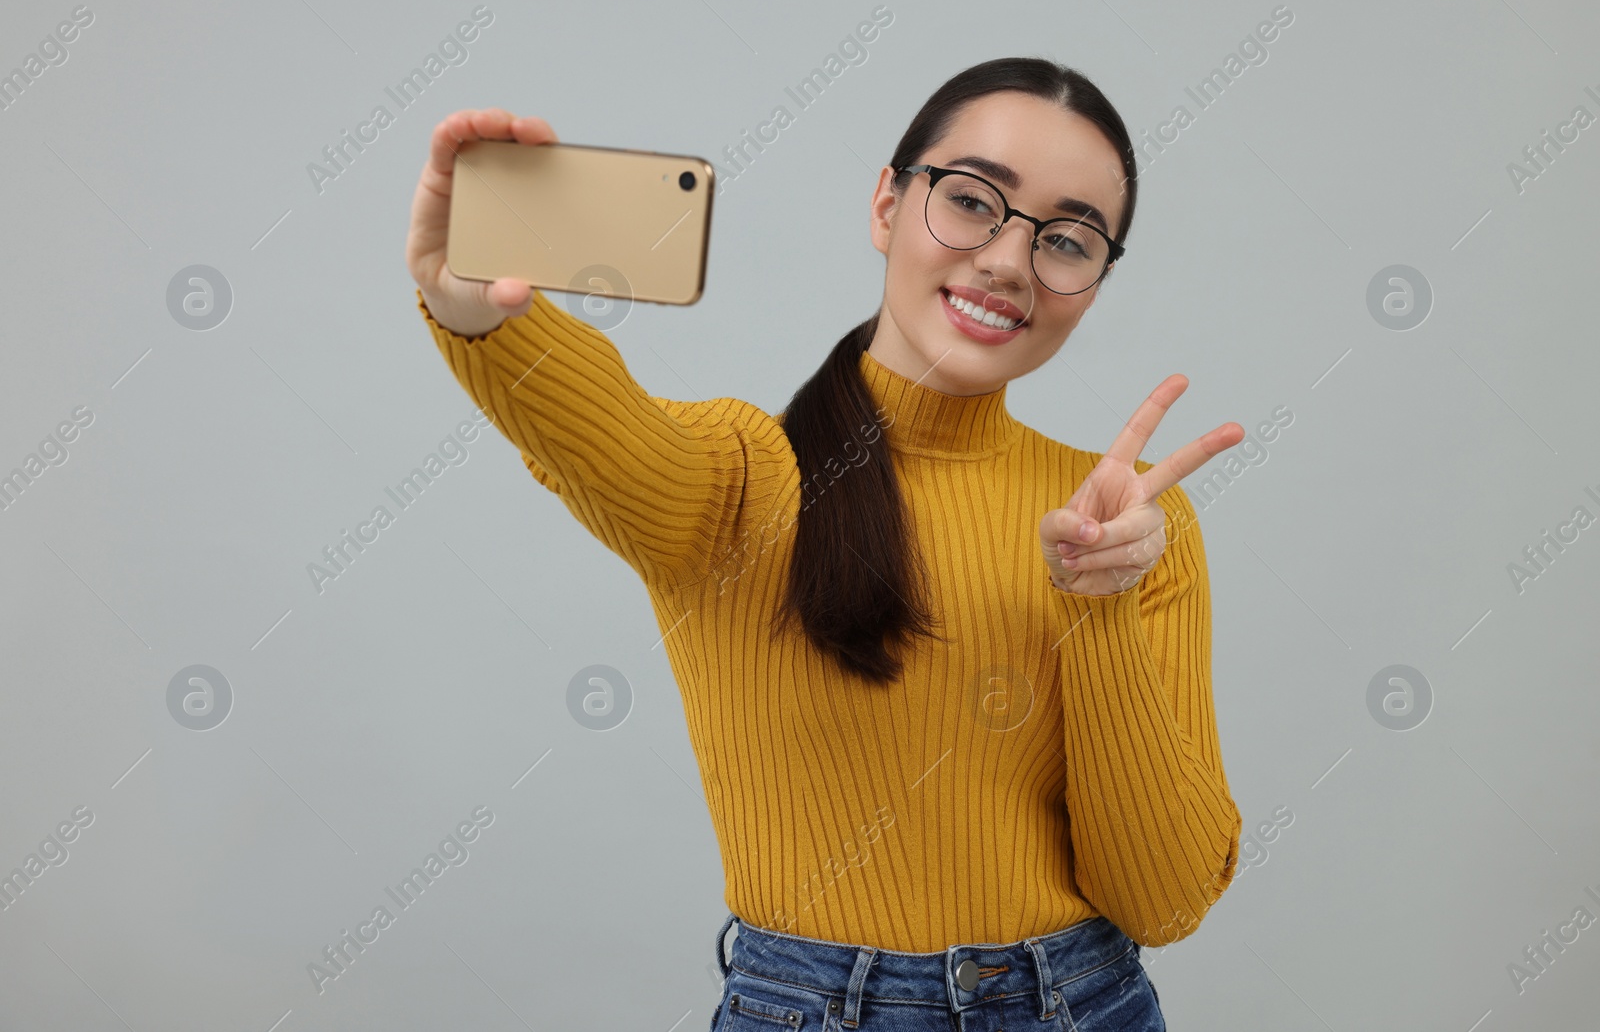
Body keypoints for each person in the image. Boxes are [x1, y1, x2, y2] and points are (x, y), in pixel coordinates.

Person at [406, 56, 1246, 1032]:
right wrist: (473, 309)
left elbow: (1164, 898)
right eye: (972, 201)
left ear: (1093, 282)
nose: (1010, 262)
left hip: (1086, 1003)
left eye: (1067, 238)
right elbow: (599, 430)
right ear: (888, 203)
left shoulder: (1137, 524)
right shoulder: (740, 479)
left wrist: (1096, 605)